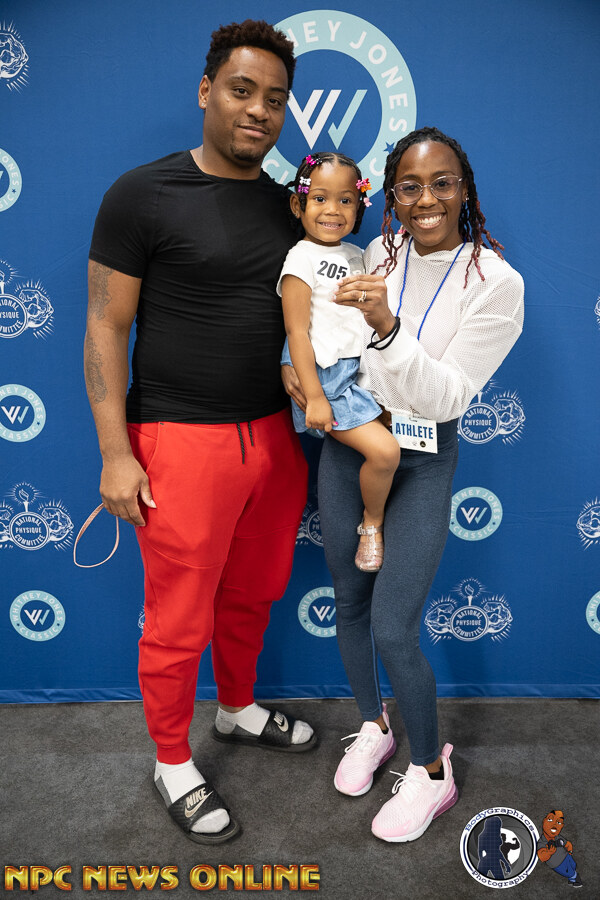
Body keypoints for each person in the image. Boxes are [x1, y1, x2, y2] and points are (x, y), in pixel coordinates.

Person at [84, 20, 316, 846]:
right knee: (178, 617)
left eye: (275, 99)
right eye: (242, 91)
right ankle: (172, 759)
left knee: (254, 592)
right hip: (180, 442)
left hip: (275, 441)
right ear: (206, 91)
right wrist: (116, 452)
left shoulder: (292, 208)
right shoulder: (141, 194)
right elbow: (106, 326)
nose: (259, 110)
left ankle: (238, 707)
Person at [284, 126, 524, 841]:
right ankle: (373, 724)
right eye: (410, 187)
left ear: (464, 188)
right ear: (390, 196)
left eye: (442, 183)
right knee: (350, 601)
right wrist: (294, 370)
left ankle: (430, 771)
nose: (426, 200)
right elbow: (311, 320)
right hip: (350, 444)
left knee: (393, 626)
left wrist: (388, 328)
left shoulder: (497, 283)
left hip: (422, 459)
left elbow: (447, 396)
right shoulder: (376, 252)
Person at [279, 152, 400, 572]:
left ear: (360, 205)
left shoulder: (357, 254)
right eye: (320, 198)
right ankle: (372, 524)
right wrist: (315, 396)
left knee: (389, 446)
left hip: (354, 373)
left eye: (345, 200)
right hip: (325, 379)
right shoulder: (300, 258)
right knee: (385, 453)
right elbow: (296, 332)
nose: (333, 210)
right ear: (298, 204)